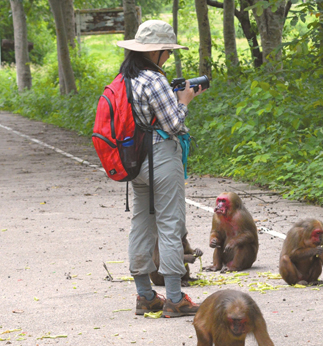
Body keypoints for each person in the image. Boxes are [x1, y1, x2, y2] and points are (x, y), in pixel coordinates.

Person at [116, 20, 204, 318]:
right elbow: (174, 123)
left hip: (134, 160)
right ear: (155, 52)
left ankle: (144, 295)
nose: (167, 57)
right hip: (160, 158)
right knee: (170, 225)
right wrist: (185, 100)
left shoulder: (126, 77)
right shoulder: (154, 80)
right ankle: (175, 298)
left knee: (142, 223)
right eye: (166, 51)